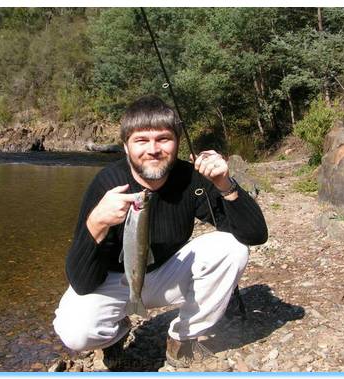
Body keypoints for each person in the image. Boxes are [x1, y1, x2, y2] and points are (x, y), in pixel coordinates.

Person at [53, 95, 268, 369]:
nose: (153, 149)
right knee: (75, 331)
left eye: (163, 139)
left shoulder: (191, 179)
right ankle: (115, 336)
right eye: (141, 140)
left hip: (168, 275)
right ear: (125, 146)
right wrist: (95, 225)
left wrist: (225, 184)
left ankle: (183, 337)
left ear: (177, 142)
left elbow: (254, 235)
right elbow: (82, 282)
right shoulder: (107, 185)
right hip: (117, 281)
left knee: (231, 248)